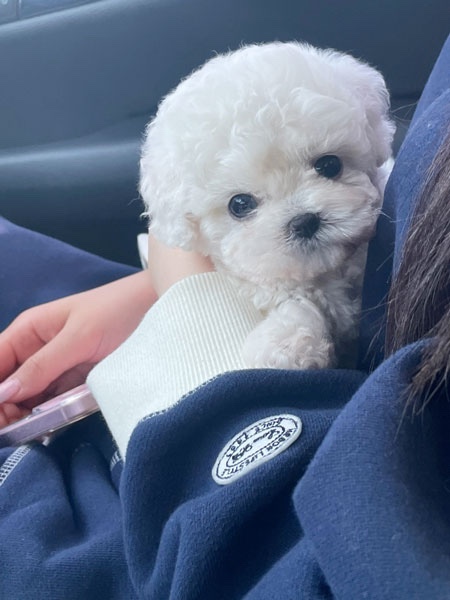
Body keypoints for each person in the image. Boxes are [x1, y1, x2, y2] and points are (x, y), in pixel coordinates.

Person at [0, 34, 448, 599]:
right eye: (243, 205)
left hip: (226, 468)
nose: (302, 214)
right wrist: (161, 289)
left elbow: (271, 544)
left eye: (327, 166)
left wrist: (189, 303)